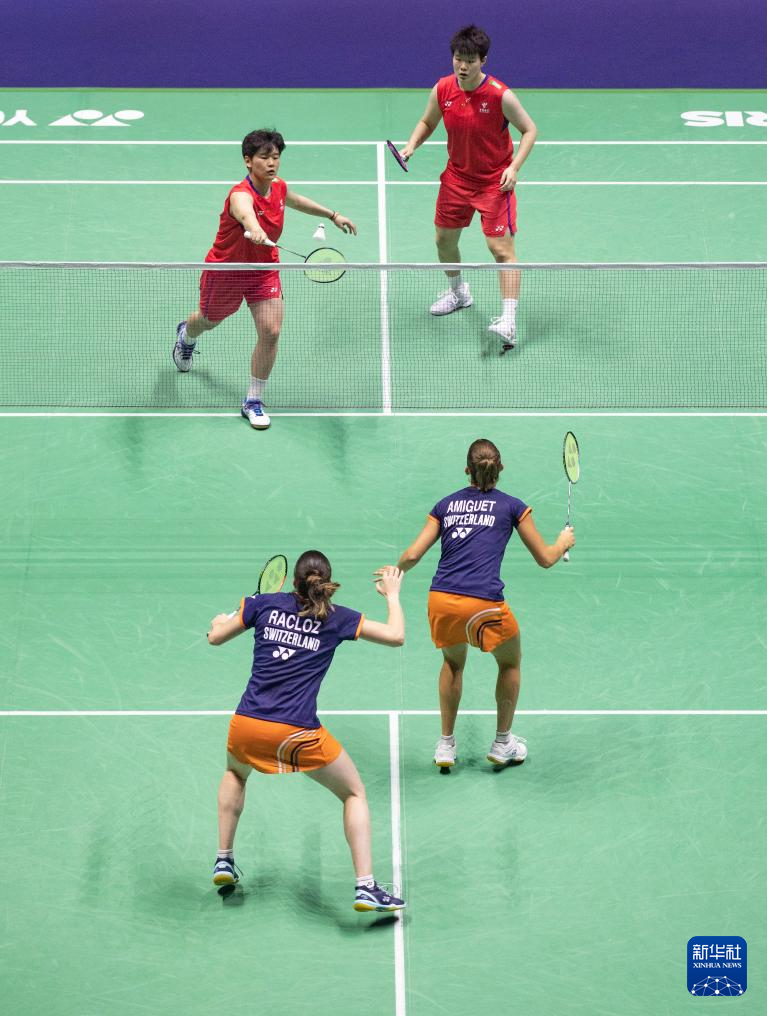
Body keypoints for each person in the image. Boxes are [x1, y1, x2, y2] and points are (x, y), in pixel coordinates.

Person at [206, 552, 406, 913]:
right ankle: (366, 887)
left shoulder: (261, 604)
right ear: (325, 583)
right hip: (297, 733)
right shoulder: (337, 617)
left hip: (247, 724)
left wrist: (220, 621)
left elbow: (215, 637)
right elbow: (396, 636)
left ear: (293, 581)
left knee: (235, 772)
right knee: (354, 793)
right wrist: (392, 595)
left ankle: (223, 859)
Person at [389, 439, 574, 770]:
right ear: (500, 469)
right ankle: (503, 743)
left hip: (442, 601)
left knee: (453, 664)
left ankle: (446, 745)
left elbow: (413, 554)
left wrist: (395, 573)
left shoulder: (445, 505)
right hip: (484, 605)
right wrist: (562, 543)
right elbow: (546, 558)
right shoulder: (513, 506)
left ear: (467, 470)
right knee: (510, 663)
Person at [172, 129, 357, 430]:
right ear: (248, 161)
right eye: (264, 157)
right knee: (207, 320)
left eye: (276, 157)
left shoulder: (278, 187)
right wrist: (254, 227)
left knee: (271, 331)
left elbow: (295, 201)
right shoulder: (239, 195)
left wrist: (332, 214)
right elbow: (245, 213)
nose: (272, 163)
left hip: (263, 268)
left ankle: (253, 400)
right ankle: (186, 336)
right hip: (227, 270)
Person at [400, 25, 537, 351]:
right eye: (458, 59)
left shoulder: (500, 95)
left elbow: (530, 130)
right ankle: (459, 293)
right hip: (456, 179)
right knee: (444, 241)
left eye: (470, 61)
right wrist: (411, 145)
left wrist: (514, 168)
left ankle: (509, 320)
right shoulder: (443, 89)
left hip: (493, 183)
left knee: (501, 250)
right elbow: (427, 121)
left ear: (483, 61)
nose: (462, 66)